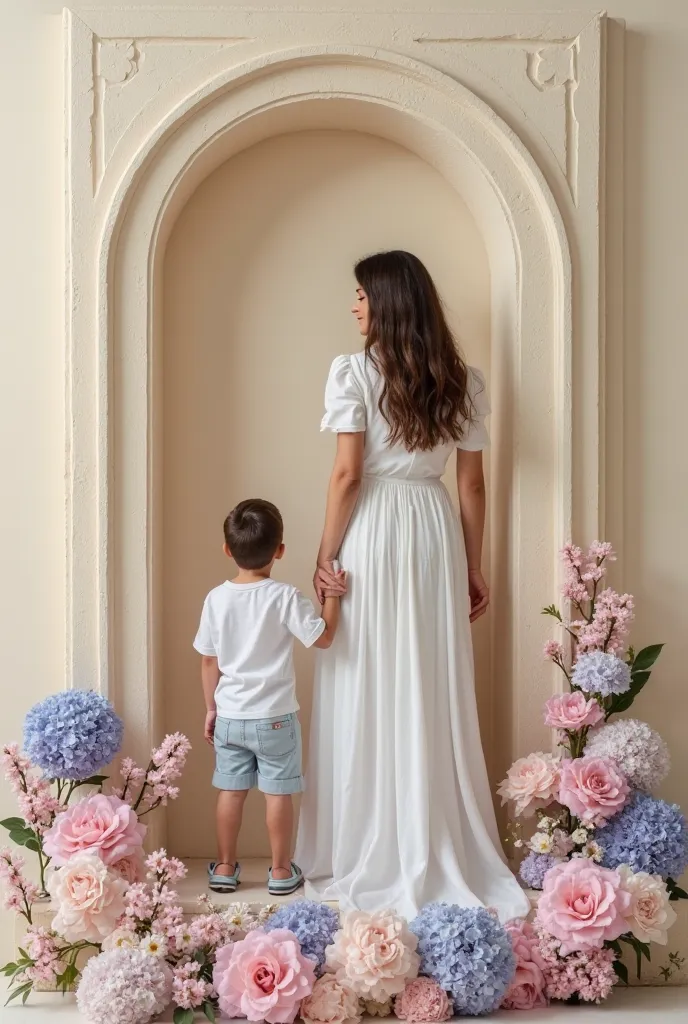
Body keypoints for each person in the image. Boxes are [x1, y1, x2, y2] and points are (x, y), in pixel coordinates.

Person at [295, 250, 530, 922]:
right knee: (428, 677)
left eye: (363, 294)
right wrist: (473, 564)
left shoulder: (353, 374)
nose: (355, 305)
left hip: (371, 531)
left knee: (364, 674)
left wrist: (324, 555)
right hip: (432, 532)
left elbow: (347, 476)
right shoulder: (464, 380)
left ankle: (362, 838)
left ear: (390, 301)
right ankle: (433, 836)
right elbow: (473, 483)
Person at [193, 498, 343, 896]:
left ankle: (224, 867)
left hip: (230, 716)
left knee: (231, 790)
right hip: (275, 717)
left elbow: (209, 661)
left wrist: (212, 708)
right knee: (278, 793)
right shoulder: (285, 597)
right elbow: (323, 638)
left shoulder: (215, 599)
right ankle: (279, 871)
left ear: (228, 550)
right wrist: (334, 596)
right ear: (280, 550)